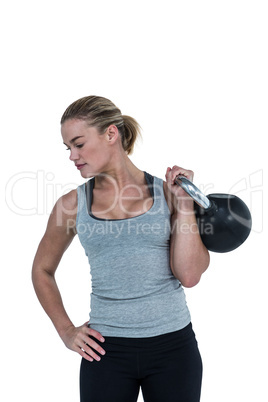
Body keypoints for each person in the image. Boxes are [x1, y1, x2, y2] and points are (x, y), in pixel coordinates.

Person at [32, 95, 210, 402]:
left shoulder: (168, 195)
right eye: (68, 148)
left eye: (78, 143)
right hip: (105, 351)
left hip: (173, 348)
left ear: (111, 134)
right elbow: (42, 270)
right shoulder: (72, 206)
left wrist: (184, 206)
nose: (72, 155)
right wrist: (66, 331)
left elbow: (190, 275)